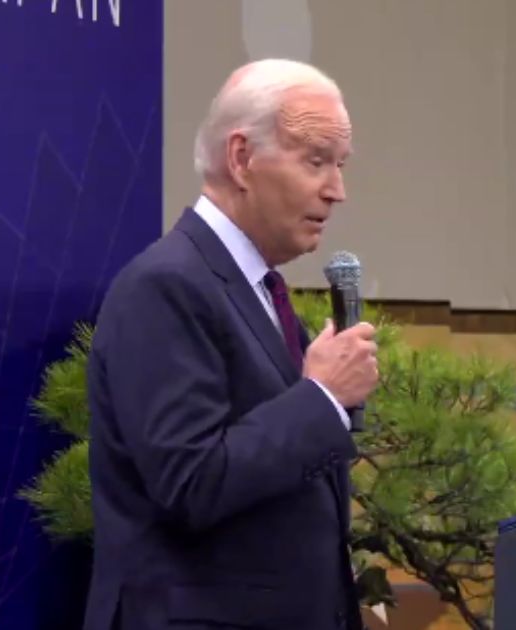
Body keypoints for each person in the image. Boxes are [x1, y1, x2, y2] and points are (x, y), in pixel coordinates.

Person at [82, 58, 378, 630]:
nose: (337, 190)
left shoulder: (259, 288)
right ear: (242, 159)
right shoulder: (165, 285)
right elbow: (190, 483)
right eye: (316, 161)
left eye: (340, 165)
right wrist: (320, 396)